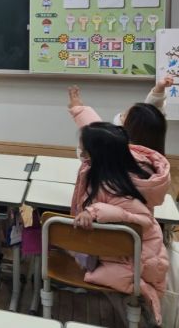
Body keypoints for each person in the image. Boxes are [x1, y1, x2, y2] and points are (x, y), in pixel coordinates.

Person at [71, 122, 169, 326]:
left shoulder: (117, 187)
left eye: (84, 150)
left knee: (128, 296)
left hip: (135, 261)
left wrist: (95, 210)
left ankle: (142, 318)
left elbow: (144, 221)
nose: (80, 153)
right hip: (117, 253)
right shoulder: (103, 171)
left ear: (95, 155)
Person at [67, 75, 171, 154]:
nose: (121, 115)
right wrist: (159, 90)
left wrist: (78, 109)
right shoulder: (155, 160)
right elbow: (149, 116)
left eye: (124, 115)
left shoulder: (115, 155)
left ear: (129, 131)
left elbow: (96, 133)